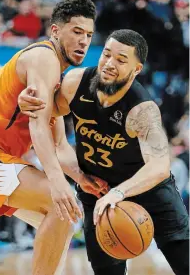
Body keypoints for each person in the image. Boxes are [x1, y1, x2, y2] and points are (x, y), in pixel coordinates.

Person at [19, 29, 189, 275]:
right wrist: (29, 101)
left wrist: (119, 193)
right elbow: (49, 126)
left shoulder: (142, 110)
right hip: (98, 192)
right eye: (107, 54)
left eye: (121, 60)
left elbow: (160, 166)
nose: (109, 64)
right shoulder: (75, 84)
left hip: (148, 191)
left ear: (137, 69)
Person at [0, 0, 108, 275]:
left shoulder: (55, 78)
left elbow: (59, 144)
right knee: (58, 202)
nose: (84, 41)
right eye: (76, 31)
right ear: (55, 31)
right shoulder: (44, 57)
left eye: (88, 34)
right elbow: (39, 129)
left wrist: (82, 178)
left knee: (63, 218)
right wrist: (58, 182)